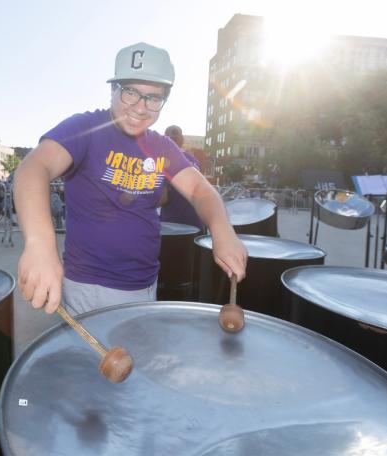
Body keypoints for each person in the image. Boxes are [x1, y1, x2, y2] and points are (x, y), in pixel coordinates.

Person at [14, 42, 247, 316]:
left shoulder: (161, 146)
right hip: (89, 285)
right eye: (130, 92)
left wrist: (223, 230)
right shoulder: (87, 129)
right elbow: (33, 168)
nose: (140, 107)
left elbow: (199, 188)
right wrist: (40, 245)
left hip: (144, 283)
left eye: (153, 97)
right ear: (113, 90)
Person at [159, 125, 204, 231]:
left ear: (164, 140)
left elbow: (162, 198)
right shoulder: (194, 160)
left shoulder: (163, 161)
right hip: (195, 222)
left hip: (173, 225)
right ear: (182, 139)